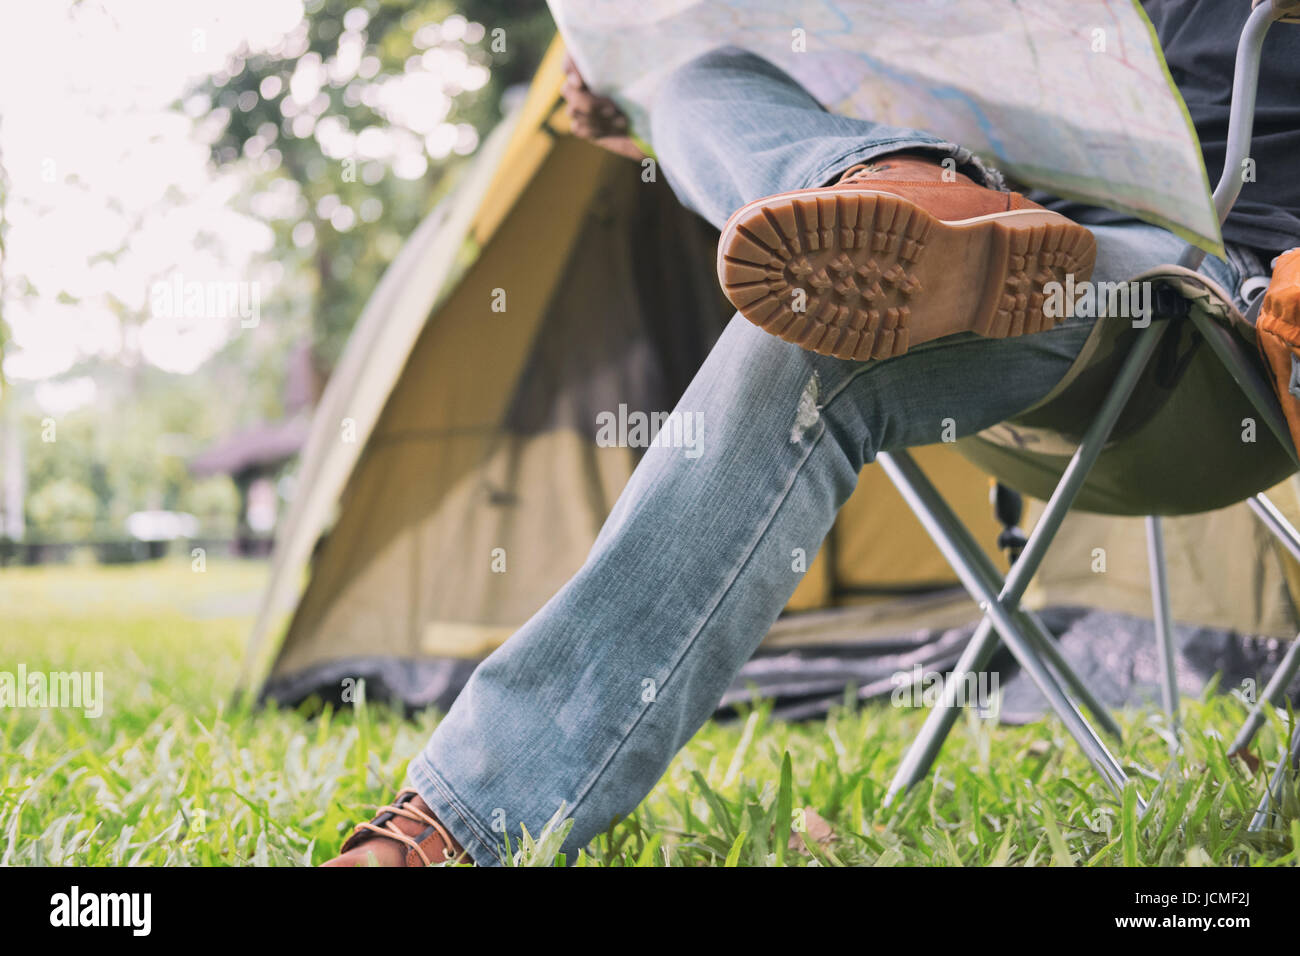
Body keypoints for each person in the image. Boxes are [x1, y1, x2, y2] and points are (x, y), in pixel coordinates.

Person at [323, 0, 1300, 866]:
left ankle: (462, 825)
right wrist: (639, 112)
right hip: (998, 238)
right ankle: (893, 185)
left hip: (1196, 317)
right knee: (706, 89)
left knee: (807, 323)